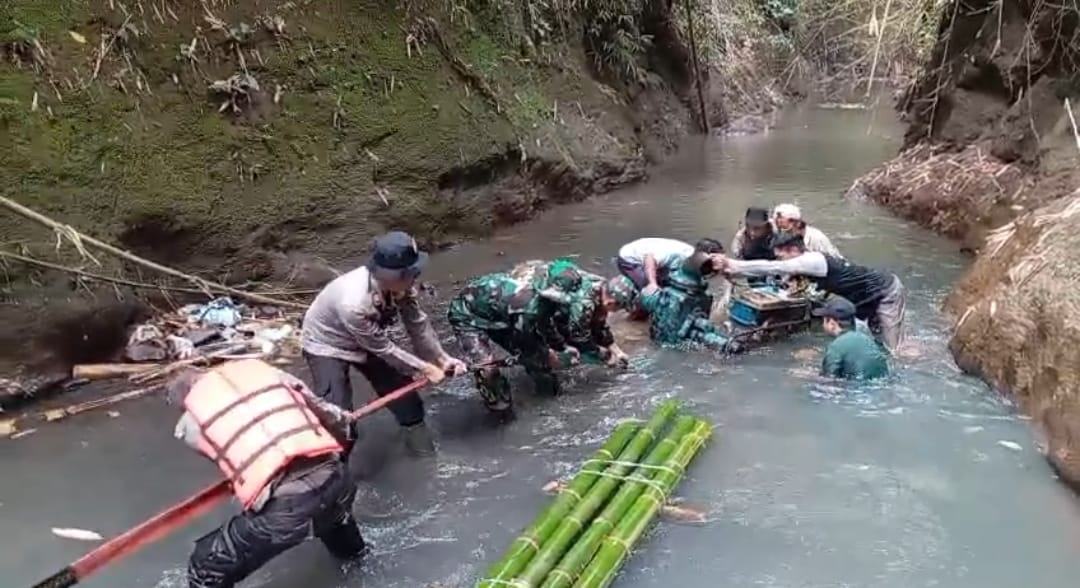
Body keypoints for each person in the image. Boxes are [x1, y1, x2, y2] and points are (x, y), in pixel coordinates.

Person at [167, 359, 367, 588]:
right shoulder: (269, 376)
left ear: (186, 402)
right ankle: (357, 561)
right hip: (338, 479)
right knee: (334, 516)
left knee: (205, 565)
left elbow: (232, 462)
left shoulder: (190, 424)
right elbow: (333, 419)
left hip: (288, 506)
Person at [301, 231, 466, 456]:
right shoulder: (354, 303)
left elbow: (417, 324)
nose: (416, 276)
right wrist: (425, 368)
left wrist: (441, 358)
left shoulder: (402, 286)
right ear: (395, 276)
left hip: (368, 339)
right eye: (412, 272)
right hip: (327, 344)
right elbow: (383, 349)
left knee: (408, 402)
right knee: (339, 420)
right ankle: (335, 473)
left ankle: (423, 455)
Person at [720, 231, 906, 354]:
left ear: (794, 250)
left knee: (892, 349)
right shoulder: (806, 265)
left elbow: (773, 267)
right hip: (866, 296)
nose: (780, 260)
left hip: (885, 290)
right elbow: (788, 281)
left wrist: (734, 265)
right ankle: (908, 348)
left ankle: (903, 365)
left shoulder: (812, 260)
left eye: (781, 255)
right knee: (878, 341)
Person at [447, 259, 587, 419]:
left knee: (541, 366)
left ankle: (550, 401)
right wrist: (548, 356)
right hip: (468, 316)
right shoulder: (527, 308)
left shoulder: (550, 303)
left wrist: (561, 347)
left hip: (503, 313)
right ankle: (501, 413)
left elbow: (545, 324)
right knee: (488, 371)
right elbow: (531, 345)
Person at [511, 260, 634, 366]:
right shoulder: (585, 303)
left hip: (548, 278)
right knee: (545, 338)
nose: (618, 311)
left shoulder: (601, 285)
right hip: (527, 285)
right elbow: (579, 336)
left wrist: (616, 350)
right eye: (620, 307)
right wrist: (604, 356)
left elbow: (599, 324)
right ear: (611, 302)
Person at [639, 251, 736, 352]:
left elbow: (644, 298)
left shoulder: (666, 294)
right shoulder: (703, 298)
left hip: (660, 341)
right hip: (684, 341)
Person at [814, 297, 889, 380]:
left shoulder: (836, 347)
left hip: (857, 389)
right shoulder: (869, 339)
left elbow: (828, 381)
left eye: (823, 320)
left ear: (832, 323)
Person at [616, 237, 725, 290]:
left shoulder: (694, 263)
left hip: (656, 258)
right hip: (629, 258)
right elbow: (649, 258)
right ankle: (637, 315)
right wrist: (652, 284)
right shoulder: (678, 254)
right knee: (647, 286)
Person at [772, 203, 842, 257]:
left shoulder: (816, 237)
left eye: (781, 222)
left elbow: (831, 260)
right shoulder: (781, 235)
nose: (779, 226)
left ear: (795, 222)